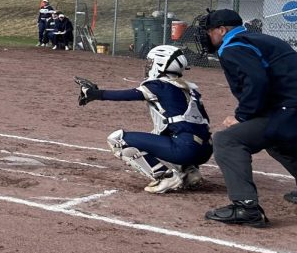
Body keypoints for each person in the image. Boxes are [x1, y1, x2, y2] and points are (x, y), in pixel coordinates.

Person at [195, 8, 297, 228]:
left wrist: (242, 116)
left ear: (222, 30)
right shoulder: (259, 39)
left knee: (227, 140)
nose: (207, 36)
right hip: (292, 109)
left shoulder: (233, 46)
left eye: (210, 31)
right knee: (275, 140)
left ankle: (246, 207)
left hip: (294, 111)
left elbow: (257, 82)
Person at [76, 44, 212, 194]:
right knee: (161, 132)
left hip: (185, 148)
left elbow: (129, 94)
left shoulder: (158, 85)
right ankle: (190, 171)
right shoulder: (189, 88)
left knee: (118, 140)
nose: (148, 66)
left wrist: (95, 94)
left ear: (161, 64)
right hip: (205, 150)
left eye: (151, 62)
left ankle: (165, 177)